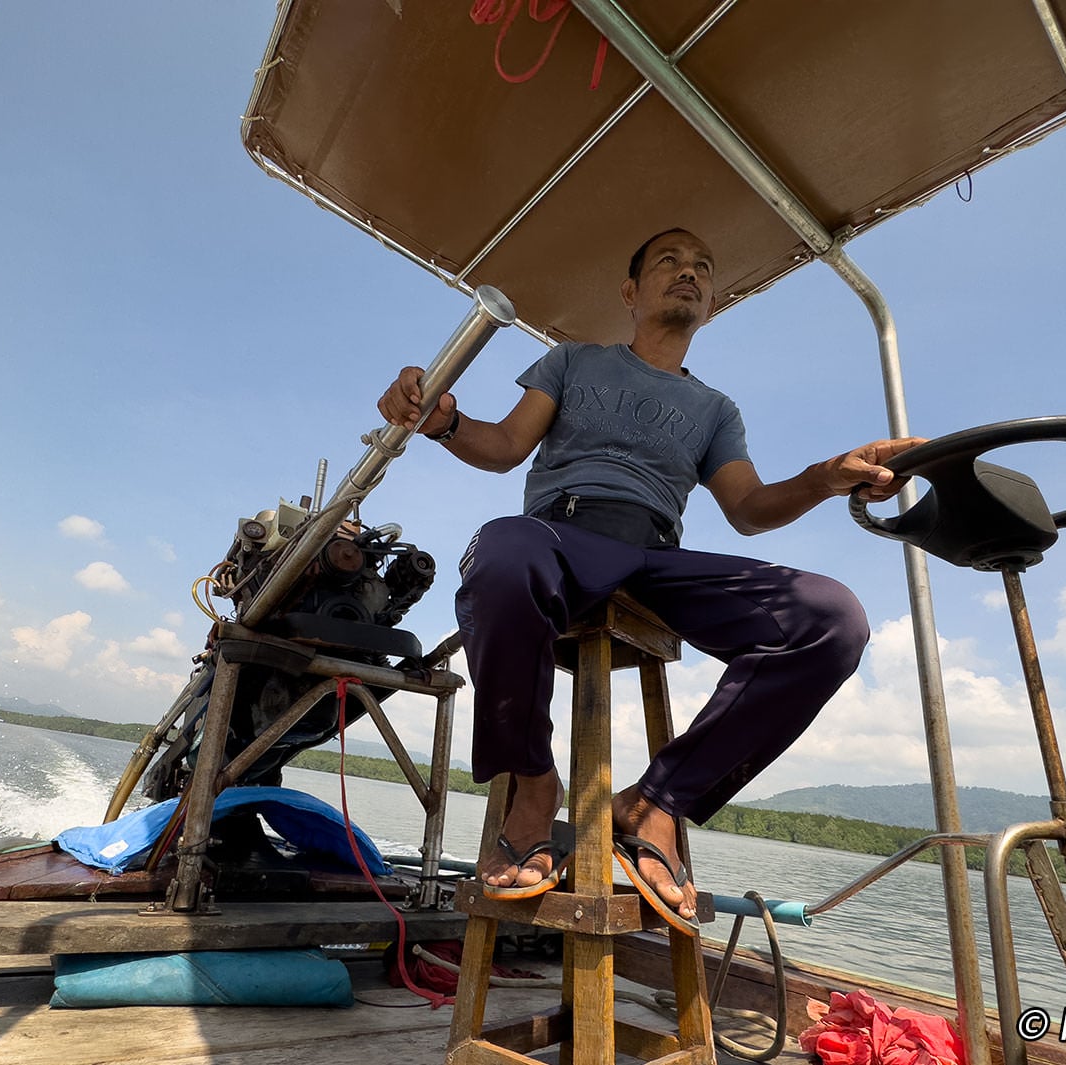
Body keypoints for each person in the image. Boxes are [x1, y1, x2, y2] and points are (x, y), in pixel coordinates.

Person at [377, 228, 922, 933]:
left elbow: (750, 509)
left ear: (711, 301)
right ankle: (535, 783)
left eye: (702, 265)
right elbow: (506, 446)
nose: (688, 272)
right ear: (630, 292)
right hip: (560, 537)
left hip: (657, 557)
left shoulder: (715, 410)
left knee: (832, 618)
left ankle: (657, 802)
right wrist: (444, 422)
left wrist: (826, 476)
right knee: (501, 551)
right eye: (669, 261)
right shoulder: (572, 360)